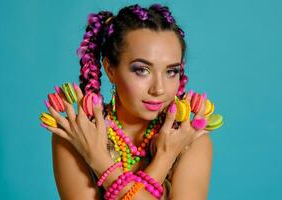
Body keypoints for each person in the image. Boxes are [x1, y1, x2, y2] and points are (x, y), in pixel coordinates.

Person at [43, 3, 212, 199]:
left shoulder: (189, 138)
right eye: (142, 70)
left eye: (171, 71)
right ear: (110, 69)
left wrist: (99, 161)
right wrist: (164, 160)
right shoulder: (78, 133)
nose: (158, 89)